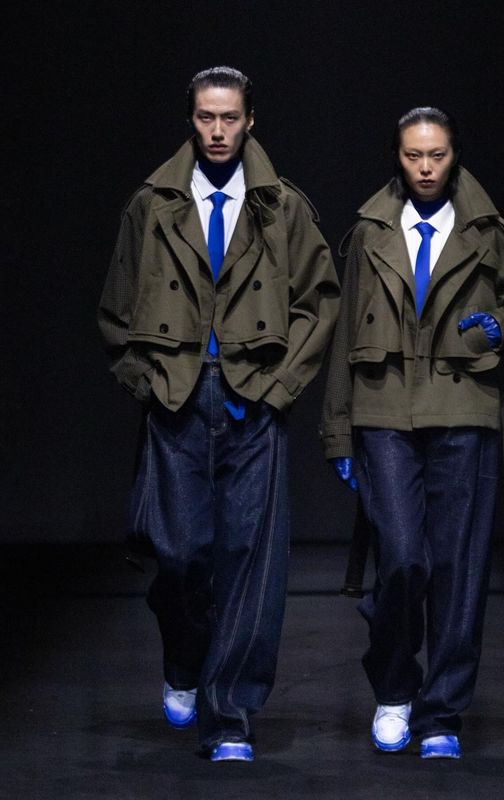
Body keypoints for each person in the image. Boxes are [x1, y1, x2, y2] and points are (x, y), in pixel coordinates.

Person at [98, 66, 339, 762]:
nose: (218, 131)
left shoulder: (282, 207)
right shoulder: (152, 204)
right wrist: (147, 383)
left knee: (249, 565)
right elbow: (116, 306)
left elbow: (318, 302)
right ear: (191, 119)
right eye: (206, 117)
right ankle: (184, 659)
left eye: (230, 117)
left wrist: (279, 388)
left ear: (250, 120)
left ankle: (229, 716)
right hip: (177, 397)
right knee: (178, 557)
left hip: (252, 398)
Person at [320, 107, 504, 759]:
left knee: (459, 570)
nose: (425, 168)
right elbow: (343, 333)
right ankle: (394, 687)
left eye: (436, 155)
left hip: (464, 408)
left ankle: (442, 714)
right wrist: (337, 430)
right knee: (402, 559)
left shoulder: (486, 232)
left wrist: (503, 327)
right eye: (413, 155)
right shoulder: (369, 233)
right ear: (396, 157)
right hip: (383, 410)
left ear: (454, 156)